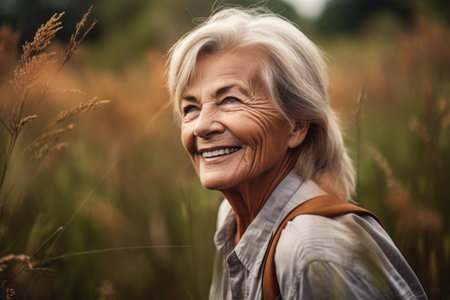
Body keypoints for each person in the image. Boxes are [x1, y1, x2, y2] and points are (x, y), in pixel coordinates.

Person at [166, 7, 427, 300]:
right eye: (191, 107)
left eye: (230, 100)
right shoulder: (230, 219)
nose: (201, 126)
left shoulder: (312, 254)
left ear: (296, 126)